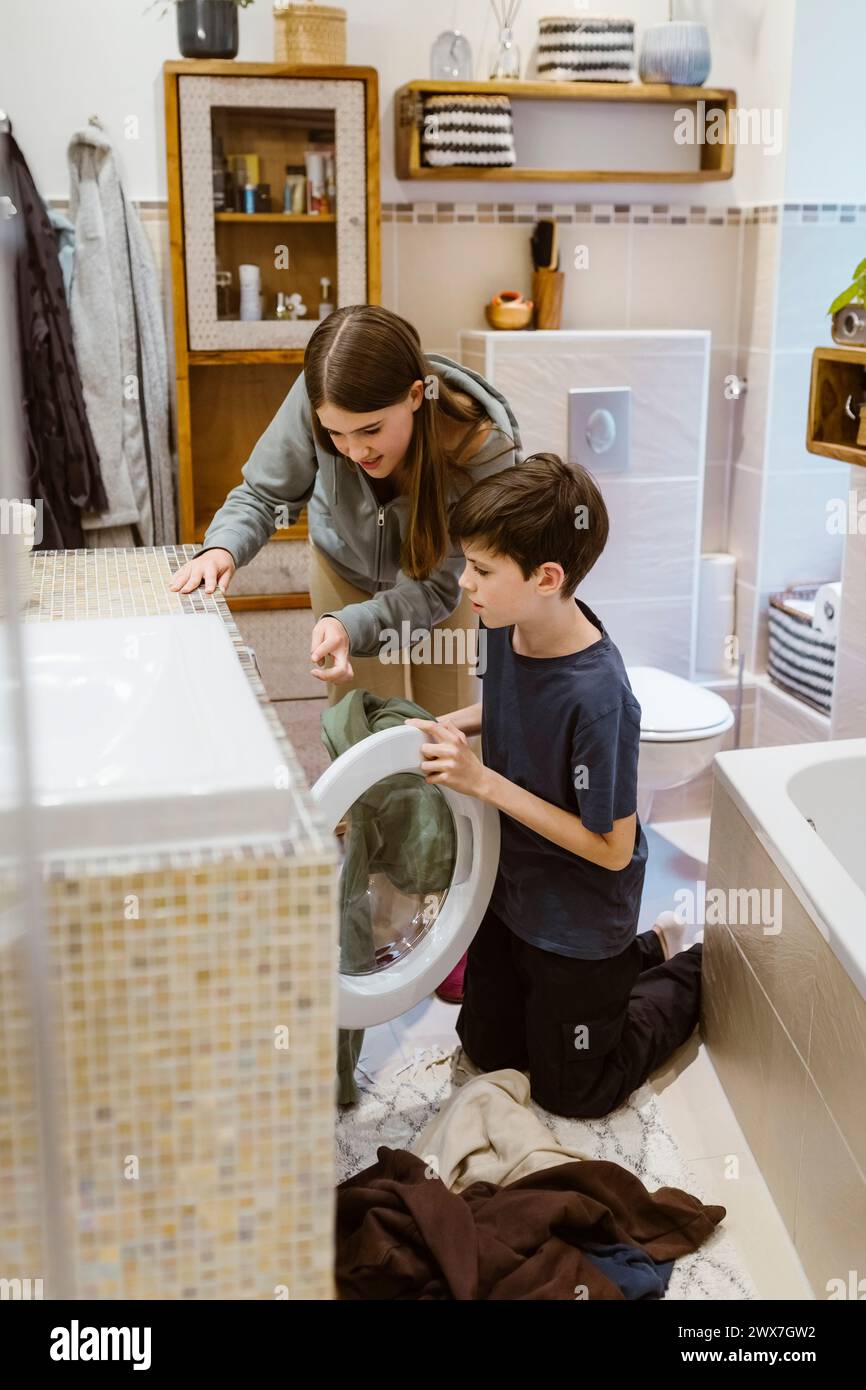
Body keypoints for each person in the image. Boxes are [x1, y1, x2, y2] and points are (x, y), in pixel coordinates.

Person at [406, 453, 704, 1120]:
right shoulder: (509, 627)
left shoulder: (600, 700)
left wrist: (484, 781)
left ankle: (690, 967)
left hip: (576, 921)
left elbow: (609, 847)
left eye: (481, 570)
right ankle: (643, 953)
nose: (464, 582)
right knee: (489, 1053)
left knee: (573, 1093)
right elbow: (514, 705)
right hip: (510, 894)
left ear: (546, 577)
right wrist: (441, 726)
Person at [168, 304, 521, 715]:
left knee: (448, 724)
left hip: (439, 583)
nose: (355, 452)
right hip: (344, 567)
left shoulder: (480, 447)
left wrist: (354, 625)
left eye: (371, 430)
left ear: (413, 395)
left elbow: (430, 590)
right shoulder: (319, 393)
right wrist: (222, 547)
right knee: (362, 722)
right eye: (336, 434)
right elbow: (264, 493)